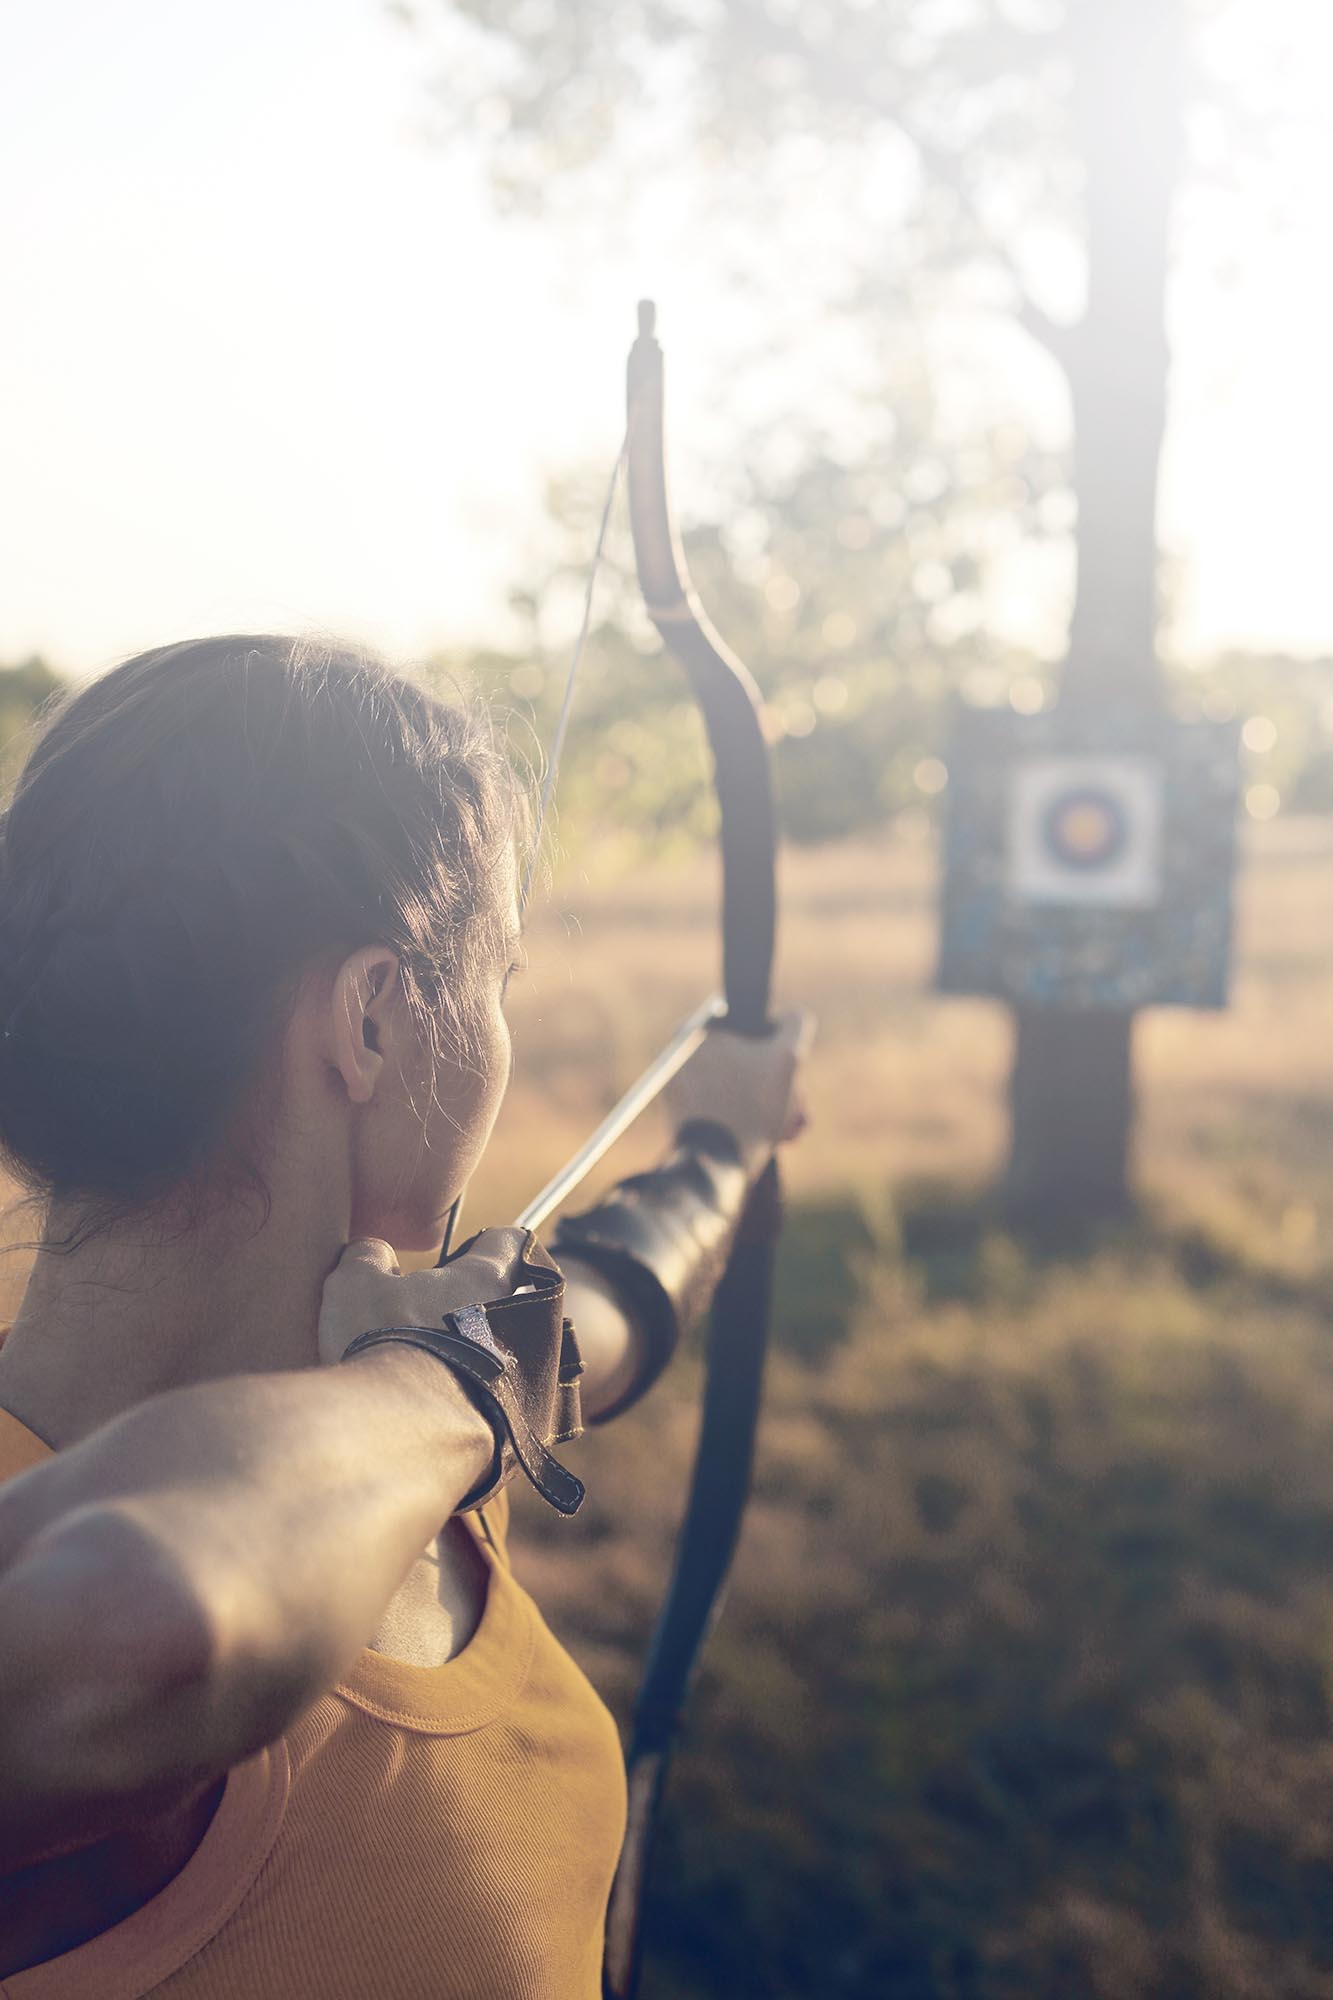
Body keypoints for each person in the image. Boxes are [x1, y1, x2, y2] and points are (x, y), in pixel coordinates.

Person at [0, 636, 808, 1998]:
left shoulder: (410, 1414)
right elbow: (141, 1612)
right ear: (373, 1019)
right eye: (495, 983)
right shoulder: (401, 1422)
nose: (496, 1036)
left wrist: (715, 1158)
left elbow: (602, 1303)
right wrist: (441, 1387)